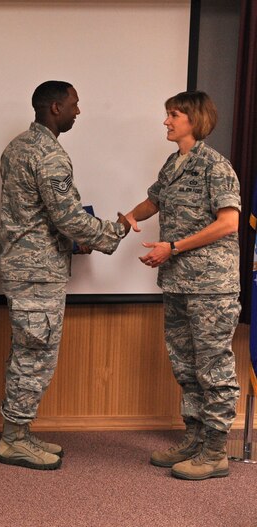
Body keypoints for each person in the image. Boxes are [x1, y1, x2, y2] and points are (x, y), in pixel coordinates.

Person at [0, 81, 130, 470]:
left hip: (27, 266)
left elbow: (38, 214)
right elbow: (67, 216)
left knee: (28, 351)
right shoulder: (48, 154)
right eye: (74, 104)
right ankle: (12, 440)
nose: (78, 110)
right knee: (35, 355)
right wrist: (112, 232)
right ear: (55, 108)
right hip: (37, 272)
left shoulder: (17, 146)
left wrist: (73, 238)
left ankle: (19, 432)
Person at [124, 91, 241, 480]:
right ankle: (193, 439)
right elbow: (153, 202)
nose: (166, 122)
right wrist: (124, 221)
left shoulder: (215, 166)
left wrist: (172, 247)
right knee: (186, 367)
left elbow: (228, 223)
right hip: (177, 284)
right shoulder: (174, 163)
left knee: (213, 367)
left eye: (173, 115)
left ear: (194, 119)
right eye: (167, 115)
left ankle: (215, 451)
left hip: (211, 286)